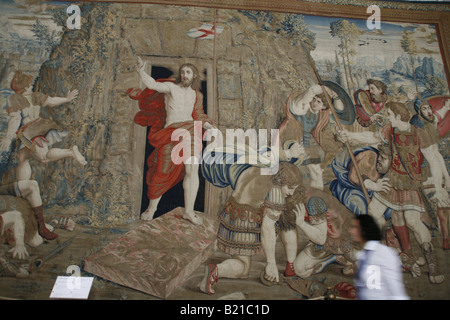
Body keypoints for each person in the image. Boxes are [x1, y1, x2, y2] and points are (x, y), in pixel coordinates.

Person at [338, 101, 447, 284]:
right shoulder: (390, 130)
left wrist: (438, 188)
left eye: (389, 114)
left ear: (398, 116)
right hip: (392, 181)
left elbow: (434, 161)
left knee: (413, 222)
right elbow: (372, 137)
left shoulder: (419, 134)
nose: (387, 117)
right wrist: (349, 135)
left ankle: (432, 263)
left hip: (410, 184)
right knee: (372, 213)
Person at [130, 57, 215, 225]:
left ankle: (189, 211)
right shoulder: (171, 88)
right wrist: (141, 71)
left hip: (191, 133)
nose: (184, 74)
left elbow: (198, 115)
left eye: (188, 72)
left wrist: (209, 127)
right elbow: (153, 85)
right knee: (161, 171)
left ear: (194, 75)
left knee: (192, 171)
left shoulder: (197, 95)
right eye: (182, 72)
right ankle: (152, 208)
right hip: (171, 134)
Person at [199, 162, 301, 295]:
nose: (291, 192)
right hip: (244, 223)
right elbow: (267, 229)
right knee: (243, 269)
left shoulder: (263, 168)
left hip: (231, 215)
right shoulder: (276, 191)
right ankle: (216, 270)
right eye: (290, 188)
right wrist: (271, 264)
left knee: (277, 218)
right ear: (281, 180)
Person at [0, 70, 87, 182]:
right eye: (29, 84)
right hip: (42, 125)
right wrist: (66, 99)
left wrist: (8, 137)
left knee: (44, 157)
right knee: (22, 157)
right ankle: (22, 185)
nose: (31, 86)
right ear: (25, 86)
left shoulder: (15, 99)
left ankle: (70, 152)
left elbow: (16, 119)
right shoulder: (35, 96)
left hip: (30, 131)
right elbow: (51, 101)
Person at [278, 84, 346, 190]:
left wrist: (338, 137)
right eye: (314, 99)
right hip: (291, 139)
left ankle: (316, 195)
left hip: (307, 143)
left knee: (317, 173)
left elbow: (339, 111)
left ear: (324, 106)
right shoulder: (303, 106)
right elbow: (311, 90)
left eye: (319, 102)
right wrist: (326, 89)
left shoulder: (322, 115)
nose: (314, 103)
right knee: (295, 173)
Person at [410, 97, 450, 249]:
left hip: (437, 169)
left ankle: (446, 237)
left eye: (428, 108)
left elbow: (438, 115)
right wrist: (440, 185)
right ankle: (443, 237)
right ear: (419, 112)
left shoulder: (429, 123)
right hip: (428, 172)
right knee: (438, 204)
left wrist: (446, 106)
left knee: (444, 204)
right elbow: (432, 158)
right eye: (424, 109)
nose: (428, 111)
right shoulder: (420, 130)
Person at [350, 214, 409, 300]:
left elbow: (395, 290)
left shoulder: (384, 254)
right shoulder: (362, 255)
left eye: (354, 227)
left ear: (364, 230)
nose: (350, 231)